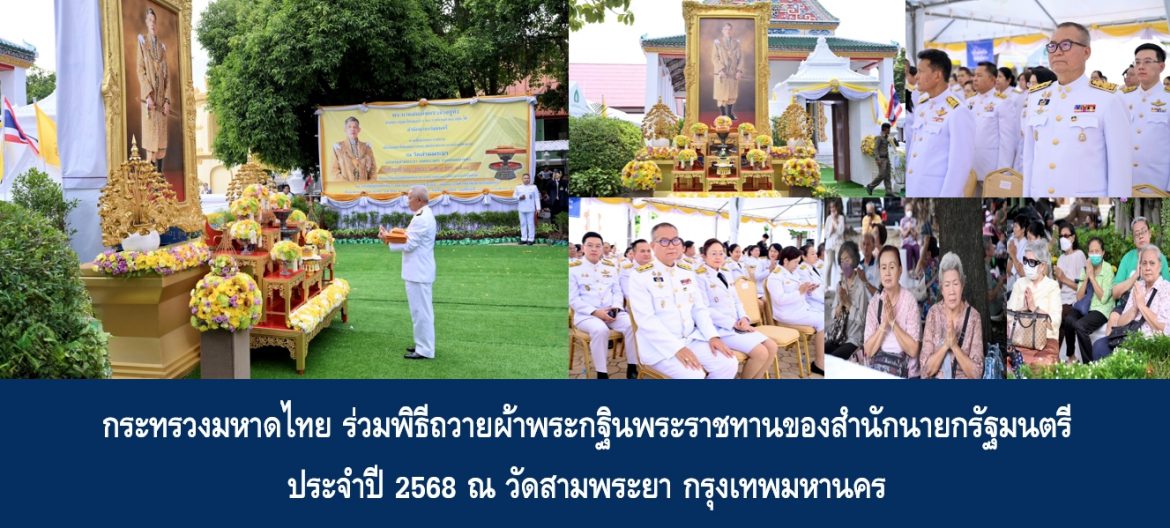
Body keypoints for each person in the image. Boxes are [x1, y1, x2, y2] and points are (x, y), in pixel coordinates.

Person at [1022, 22, 1131, 197]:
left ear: (1086, 52)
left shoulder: (1109, 99)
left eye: (1066, 45)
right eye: (1052, 46)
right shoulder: (1036, 96)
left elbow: (1120, 167)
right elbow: (1029, 158)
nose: (1057, 51)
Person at [627, 223, 738, 379]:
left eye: (675, 240)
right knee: (694, 375)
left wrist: (713, 336)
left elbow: (699, 309)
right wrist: (676, 348)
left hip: (690, 338)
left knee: (728, 362)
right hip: (659, 347)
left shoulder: (686, 271)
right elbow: (646, 320)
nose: (671, 246)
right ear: (653, 245)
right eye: (664, 241)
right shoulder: (640, 276)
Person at [696, 239, 778, 379]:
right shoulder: (699, 276)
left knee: (772, 346)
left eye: (721, 253)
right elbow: (704, 309)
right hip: (719, 329)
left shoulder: (726, 272)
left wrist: (745, 319)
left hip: (739, 325)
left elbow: (736, 301)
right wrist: (733, 323)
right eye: (713, 253)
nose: (718, 257)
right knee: (761, 353)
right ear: (704, 256)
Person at [907, 49, 974, 197]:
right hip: (915, 189)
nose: (916, 76)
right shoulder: (922, 105)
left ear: (937, 75)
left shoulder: (957, 111)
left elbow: (960, 165)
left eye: (920, 71)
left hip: (937, 192)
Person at [379, 186, 437, 359]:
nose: (407, 201)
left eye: (410, 197)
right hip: (418, 271)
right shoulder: (422, 215)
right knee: (419, 312)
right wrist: (390, 237)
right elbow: (409, 237)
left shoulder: (422, 218)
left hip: (418, 272)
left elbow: (410, 244)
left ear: (419, 200)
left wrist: (387, 239)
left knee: (421, 312)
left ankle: (425, 349)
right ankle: (422, 345)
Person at [569, 232, 637, 379]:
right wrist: (595, 312)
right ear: (583, 248)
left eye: (598, 246)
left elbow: (617, 291)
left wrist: (616, 307)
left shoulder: (610, 267)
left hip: (612, 312)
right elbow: (573, 299)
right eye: (590, 245)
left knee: (632, 325)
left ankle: (632, 366)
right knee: (600, 330)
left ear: (601, 249)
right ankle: (602, 373)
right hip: (586, 315)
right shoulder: (573, 268)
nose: (594, 249)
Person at [1092, 245, 1170, 361]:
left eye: (1152, 263)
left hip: (1147, 343)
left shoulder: (1166, 289)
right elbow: (1120, 322)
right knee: (1099, 346)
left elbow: (1164, 327)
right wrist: (1134, 308)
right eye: (1144, 263)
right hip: (1128, 338)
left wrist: (1141, 306)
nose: (1147, 267)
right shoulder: (1138, 287)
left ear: (1160, 266)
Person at [860, 246, 922, 377]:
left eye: (892, 267)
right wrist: (884, 325)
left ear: (900, 270)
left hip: (905, 374)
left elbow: (913, 350)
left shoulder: (909, 302)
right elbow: (868, 351)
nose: (887, 272)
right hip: (878, 370)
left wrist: (893, 323)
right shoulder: (875, 303)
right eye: (883, 267)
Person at [920, 252, 984, 378]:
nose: (952, 291)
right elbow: (924, 370)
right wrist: (945, 346)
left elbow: (977, 374)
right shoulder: (933, 314)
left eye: (955, 284)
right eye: (947, 285)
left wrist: (954, 346)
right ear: (942, 289)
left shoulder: (974, 317)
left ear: (962, 285)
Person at [767, 246, 825, 375]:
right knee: (823, 321)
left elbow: (799, 292)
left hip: (799, 309)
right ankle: (819, 364)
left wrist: (807, 290)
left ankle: (822, 359)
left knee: (825, 317)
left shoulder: (793, 273)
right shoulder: (775, 276)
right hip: (787, 314)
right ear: (786, 260)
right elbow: (780, 300)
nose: (797, 265)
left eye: (798, 262)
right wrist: (800, 291)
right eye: (795, 262)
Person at [1007, 240, 1062, 365]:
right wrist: (1022, 310)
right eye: (1025, 261)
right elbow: (1008, 317)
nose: (1026, 265)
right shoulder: (1019, 284)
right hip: (1019, 340)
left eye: (1031, 262)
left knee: (1041, 364)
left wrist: (1034, 308)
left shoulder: (1052, 287)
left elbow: (1055, 323)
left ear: (1042, 266)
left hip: (1046, 342)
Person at [969, 62, 1020, 196]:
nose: (974, 79)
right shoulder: (969, 102)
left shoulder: (1003, 102)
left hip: (990, 170)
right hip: (969, 170)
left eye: (979, 75)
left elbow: (1008, 140)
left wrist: (1003, 171)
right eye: (974, 75)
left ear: (992, 79)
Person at [1123, 43, 1168, 192]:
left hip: (1158, 185)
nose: (1141, 66)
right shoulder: (1123, 99)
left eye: (1148, 62)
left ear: (1161, 66)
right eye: (1137, 62)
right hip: (1126, 183)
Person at [1062, 236, 1114, 364]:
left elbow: (1103, 298)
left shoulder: (1108, 270)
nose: (1094, 254)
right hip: (1086, 306)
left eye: (1097, 251)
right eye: (1091, 252)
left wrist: (1092, 277)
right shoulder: (1085, 269)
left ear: (1103, 253)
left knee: (1080, 326)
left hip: (1101, 309)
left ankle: (1089, 364)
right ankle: (1071, 356)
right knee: (1069, 320)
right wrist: (1086, 277)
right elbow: (1079, 297)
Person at [136, 7, 170, 168]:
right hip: (150, 103)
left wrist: (167, 101)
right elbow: (140, 70)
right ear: (146, 22)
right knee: (151, 144)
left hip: (161, 103)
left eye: (154, 21)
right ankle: (150, 185)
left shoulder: (162, 49)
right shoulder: (142, 43)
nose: (153, 24)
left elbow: (167, 76)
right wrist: (148, 96)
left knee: (161, 143)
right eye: (150, 20)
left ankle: (160, 182)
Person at [826, 241, 870, 360]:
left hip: (854, 340)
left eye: (847, 260)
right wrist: (840, 305)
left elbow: (863, 320)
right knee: (824, 351)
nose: (844, 264)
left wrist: (848, 303)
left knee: (832, 360)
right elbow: (832, 314)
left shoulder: (861, 286)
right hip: (839, 336)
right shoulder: (840, 284)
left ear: (855, 260)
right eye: (841, 260)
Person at [1053, 221, 1087, 355]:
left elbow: (1082, 286)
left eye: (1066, 235)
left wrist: (1064, 279)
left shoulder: (1079, 255)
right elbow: (1059, 286)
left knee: (1062, 317)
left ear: (1073, 237)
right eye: (1061, 236)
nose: (1063, 239)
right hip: (1060, 299)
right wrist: (1058, 278)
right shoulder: (1060, 258)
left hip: (1074, 300)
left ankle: (1064, 357)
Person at [712, 22, 745, 120]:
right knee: (721, 95)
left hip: (733, 72)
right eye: (726, 29)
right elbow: (714, 58)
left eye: (730, 29)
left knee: (732, 95)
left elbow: (741, 58)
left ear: (732, 31)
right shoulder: (717, 42)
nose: (728, 31)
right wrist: (720, 70)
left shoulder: (737, 43)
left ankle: (730, 113)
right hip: (722, 73)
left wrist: (739, 71)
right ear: (722, 31)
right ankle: (722, 115)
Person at [332, 117, 377, 182]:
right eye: (349, 127)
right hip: (346, 189)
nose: (352, 129)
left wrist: (369, 186)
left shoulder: (367, 147)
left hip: (363, 189)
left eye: (355, 127)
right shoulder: (337, 147)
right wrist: (348, 186)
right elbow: (334, 171)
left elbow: (373, 169)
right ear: (345, 129)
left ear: (359, 130)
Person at [865, 123, 895, 195]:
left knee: (887, 176)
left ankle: (889, 192)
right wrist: (877, 159)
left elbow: (896, 144)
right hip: (881, 159)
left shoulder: (887, 137)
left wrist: (892, 139)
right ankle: (870, 186)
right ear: (885, 129)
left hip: (886, 159)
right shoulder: (879, 137)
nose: (890, 130)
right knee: (882, 175)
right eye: (889, 129)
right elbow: (875, 149)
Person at [513, 173, 540, 246]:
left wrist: (538, 208)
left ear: (530, 179)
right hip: (521, 208)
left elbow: (537, 198)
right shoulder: (518, 187)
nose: (526, 179)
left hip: (531, 208)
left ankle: (531, 239)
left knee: (531, 224)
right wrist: (519, 197)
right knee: (523, 224)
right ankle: (523, 239)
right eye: (525, 178)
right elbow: (514, 196)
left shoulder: (534, 187)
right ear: (522, 179)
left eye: (527, 178)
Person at [824, 201, 844, 287]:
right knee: (829, 264)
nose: (832, 209)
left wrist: (835, 221)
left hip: (838, 243)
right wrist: (830, 232)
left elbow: (840, 232)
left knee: (840, 263)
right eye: (831, 208)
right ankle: (826, 285)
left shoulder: (841, 218)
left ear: (837, 208)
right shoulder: (828, 218)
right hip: (829, 244)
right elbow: (825, 234)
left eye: (834, 207)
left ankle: (841, 282)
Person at [900, 200, 920, 272]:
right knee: (909, 249)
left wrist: (911, 229)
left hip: (913, 242)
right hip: (906, 243)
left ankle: (918, 269)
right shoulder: (902, 221)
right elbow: (904, 234)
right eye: (908, 210)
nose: (909, 211)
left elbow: (915, 236)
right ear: (905, 211)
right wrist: (908, 229)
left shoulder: (914, 221)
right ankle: (910, 269)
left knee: (917, 249)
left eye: (911, 210)